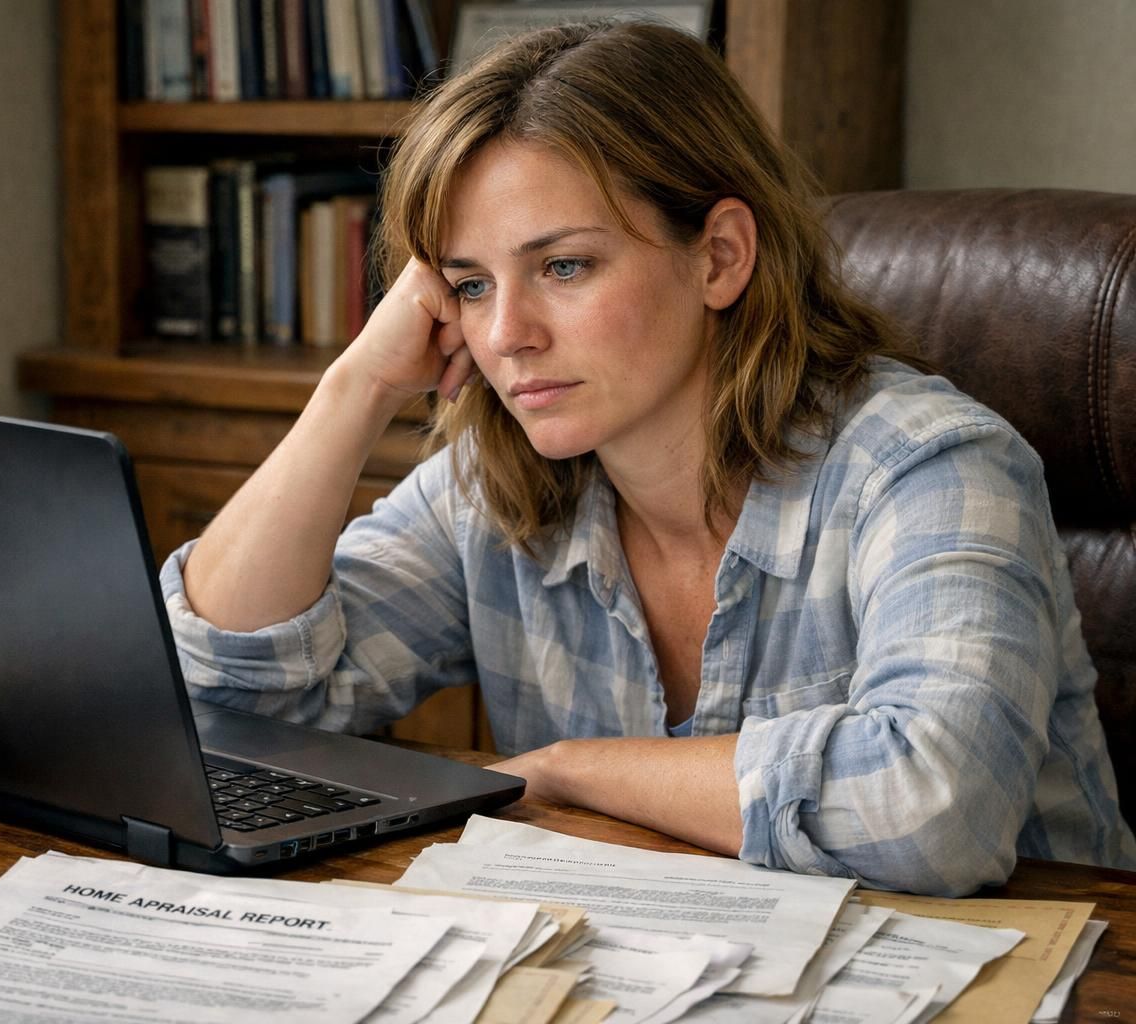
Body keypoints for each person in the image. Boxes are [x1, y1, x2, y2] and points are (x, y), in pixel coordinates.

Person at [158, 19, 1136, 895]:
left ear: (719, 256)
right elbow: (220, 703)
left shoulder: (930, 467)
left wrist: (572, 766)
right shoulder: (492, 485)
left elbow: (934, 811)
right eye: (467, 283)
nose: (505, 334)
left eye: (564, 265)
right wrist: (357, 387)